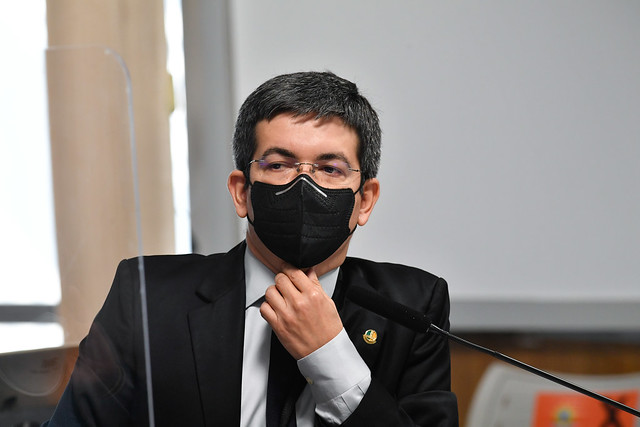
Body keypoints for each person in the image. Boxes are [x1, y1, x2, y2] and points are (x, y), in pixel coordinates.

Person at [45, 71, 458, 426]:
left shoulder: (414, 308)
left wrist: (329, 355)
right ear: (241, 192)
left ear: (364, 200)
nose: (304, 184)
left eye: (330, 169)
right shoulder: (146, 296)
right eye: (278, 165)